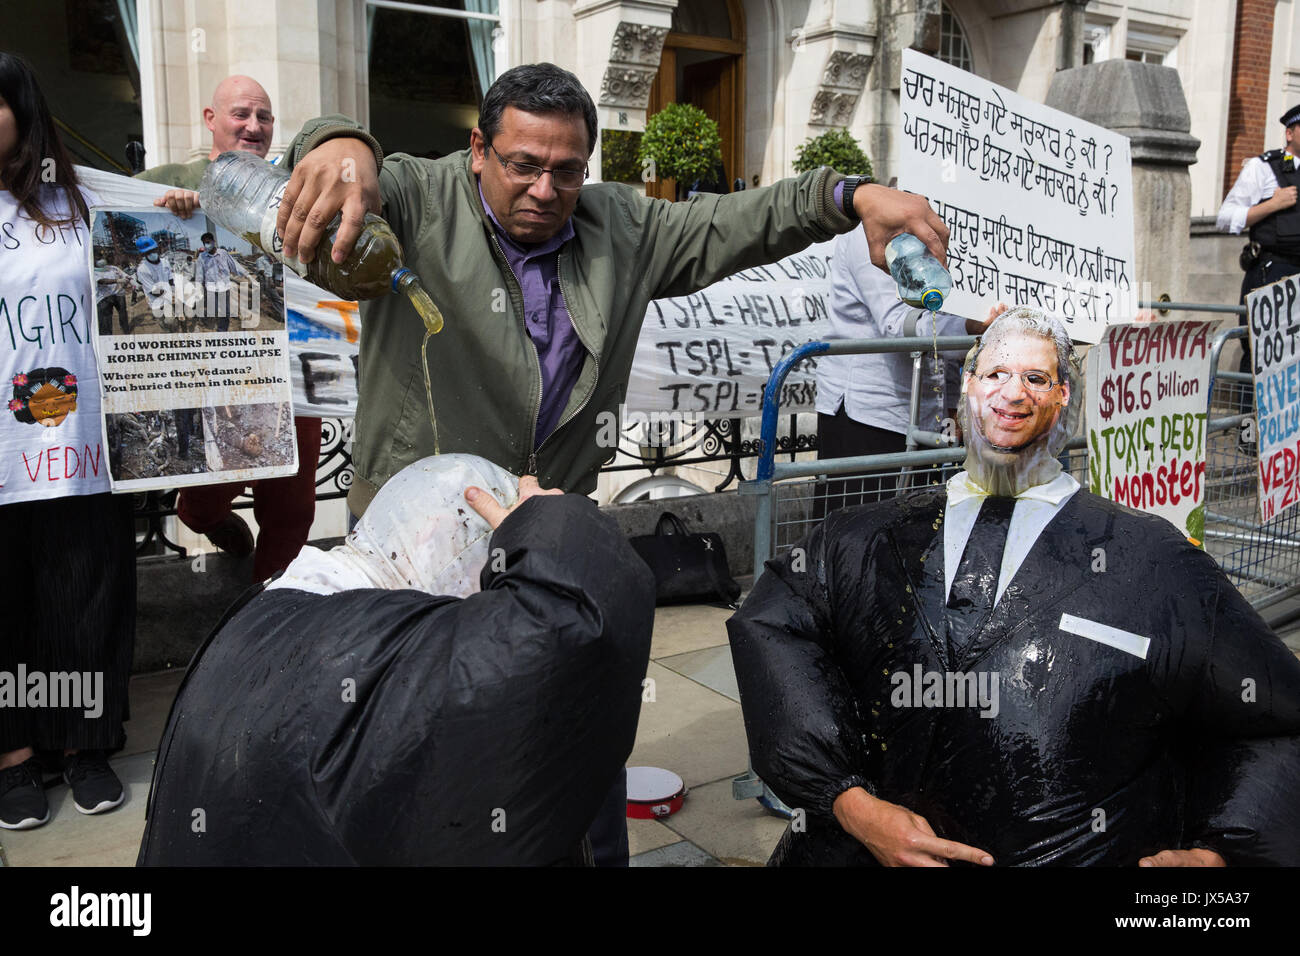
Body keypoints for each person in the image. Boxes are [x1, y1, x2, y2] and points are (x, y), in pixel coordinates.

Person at [728, 307, 1300, 866]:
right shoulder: (858, 540)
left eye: (1035, 377)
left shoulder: (1156, 563)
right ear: (966, 387)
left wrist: (1219, 852)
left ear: (1063, 396)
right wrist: (851, 804)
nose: (1012, 395)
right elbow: (775, 632)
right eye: (996, 374)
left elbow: (1276, 720)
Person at [274, 62, 948, 522]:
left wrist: (850, 194)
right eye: (523, 166)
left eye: (566, 172)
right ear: (479, 149)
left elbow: (741, 220)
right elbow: (349, 169)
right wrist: (342, 148)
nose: (544, 190)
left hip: (546, 523)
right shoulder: (419, 199)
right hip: (413, 521)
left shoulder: (622, 228)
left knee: (535, 714)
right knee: (410, 716)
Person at [136, 455, 655, 866]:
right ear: (437, 544)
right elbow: (578, 629)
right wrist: (555, 532)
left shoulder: (268, 610)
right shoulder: (376, 669)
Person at [0, 52, 133, 829]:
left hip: (80, 446)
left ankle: (83, 747)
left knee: (85, 601)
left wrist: (176, 213)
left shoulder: (80, 202)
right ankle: (16, 755)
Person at [137, 75, 321, 581]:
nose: (254, 126)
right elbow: (116, 223)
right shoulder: (170, 175)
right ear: (210, 120)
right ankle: (207, 520)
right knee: (202, 497)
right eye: (241, 114)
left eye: (264, 117)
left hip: (287, 369)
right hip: (210, 374)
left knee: (291, 506)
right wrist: (168, 210)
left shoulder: (294, 186)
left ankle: (272, 614)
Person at [815, 222, 1006, 513]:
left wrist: (953, 402)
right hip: (871, 414)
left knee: (913, 530)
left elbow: (942, 315)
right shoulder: (868, 231)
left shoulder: (938, 227)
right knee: (856, 531)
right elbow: (897, 323)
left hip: (925, 411)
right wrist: (973, 329)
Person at [1217, 104, 1300, 384]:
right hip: (1272, 273)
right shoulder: (1263, 167)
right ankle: (1247, 427)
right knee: (1260, 355)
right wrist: (1273, 205)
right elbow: (1225, 219)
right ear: (1289, 133)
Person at [194, 231, 250, 333]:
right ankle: (213, 320)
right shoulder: (202, 257)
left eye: (208, 242)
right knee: (214, 310)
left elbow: (234, 264)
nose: (207, 245)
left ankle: (222, 330)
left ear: (213, 241)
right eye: (204, 243)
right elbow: (199, 274)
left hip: (224, 287)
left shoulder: (223, 253)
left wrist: (246, 274)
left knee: (225, 312)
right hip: (211, 288)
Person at [131, 234, 174, 327]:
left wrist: (174, 289)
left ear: (157, 249)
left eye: (153, 250)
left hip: (167, 299)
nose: (151, 254)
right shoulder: (142, 269)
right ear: (143, 254)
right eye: (148, 252)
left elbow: (171, 278)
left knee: (170, 320)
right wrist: (171, 295)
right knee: (162, 322)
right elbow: (153, 291)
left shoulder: (165, 262)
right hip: (155, 300)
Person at [94, 258, 131, 335]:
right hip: (104, 298)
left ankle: (126, 330)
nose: (101, 260)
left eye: (101, 257)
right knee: (105, 319)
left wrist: (128, 280)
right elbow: (102, 281)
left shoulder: (113, 268)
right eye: (97, 258)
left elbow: (124, 275)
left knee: (123, 313)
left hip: (119, 294)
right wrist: (117, 281)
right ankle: (107, 336)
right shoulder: (93, 271)